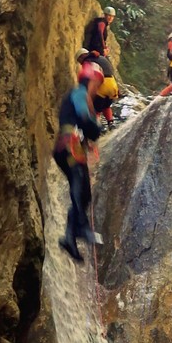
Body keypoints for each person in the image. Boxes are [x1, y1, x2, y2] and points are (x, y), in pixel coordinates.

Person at [52, 74, 103, 263]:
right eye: (96, 85)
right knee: (78, 178)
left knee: (85, 194)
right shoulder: (79, 93)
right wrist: (96, 127)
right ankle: (80, 225)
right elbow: (83, 118)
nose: (97, 90)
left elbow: (86, 126)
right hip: (68, 145)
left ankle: (69, 238)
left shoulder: (84, 97)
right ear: (90, 81)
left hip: (72, 146)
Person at [89, 50, 120, 127]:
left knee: (96, 109)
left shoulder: (88, 62)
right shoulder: (103, 59)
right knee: (106, 106)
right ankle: (111, 122)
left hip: (103, 85)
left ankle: (94, 127)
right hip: (113, 85)